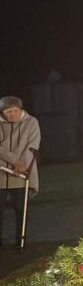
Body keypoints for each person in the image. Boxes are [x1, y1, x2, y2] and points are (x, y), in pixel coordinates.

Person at [0, 96, 41, 247]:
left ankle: (21, 239)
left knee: (20, 208)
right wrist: (14, 162)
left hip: (22, 173)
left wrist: (22, 165)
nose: (12, 115)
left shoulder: (31, 122)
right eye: (8, 112)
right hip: (2, 173)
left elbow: (32, 146)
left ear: (21, 110)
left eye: (15, 111)